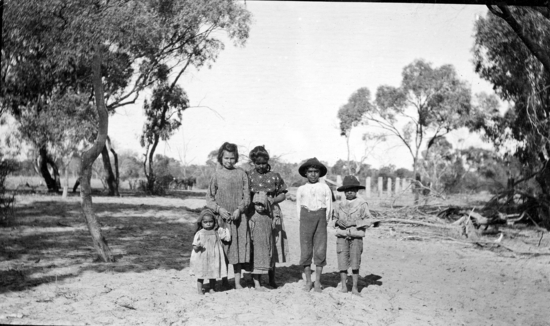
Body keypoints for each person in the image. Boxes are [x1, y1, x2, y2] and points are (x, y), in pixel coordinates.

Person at [206, 142, 251, 289]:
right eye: (226, 158)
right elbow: (210, 198)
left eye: (232, 158)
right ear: (221, 158)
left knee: (237, 250)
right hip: (222, 220)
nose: (229, 161)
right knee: (223, 250)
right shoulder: (216, 175)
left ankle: (237, 282)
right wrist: (219, 209)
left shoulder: (242, 174)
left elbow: (247, 196)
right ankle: (224, 280)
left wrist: (240, 209)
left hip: (239, 219)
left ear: (236, 158)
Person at [247, 145, 289, 288]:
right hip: (254, 212)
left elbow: (283, 193)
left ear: (268, 161)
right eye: (258, 163)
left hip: (272, 212)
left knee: (272, 244)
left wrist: (273, 200)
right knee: (256, 244)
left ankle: (271, 278)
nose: (261, 166)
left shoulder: (275, 176)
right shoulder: (249, 175)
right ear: (253, 162)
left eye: (264, 163)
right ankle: (255, 278)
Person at [333, 175, 376, 296]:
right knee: (342, 261)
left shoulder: (362, 204)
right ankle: (343, 286)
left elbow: (369, 221)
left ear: (357, 190)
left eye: (352, 189)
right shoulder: (339, 204)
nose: (349, 191)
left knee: (355, 261)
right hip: (342, 235)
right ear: (344, 191)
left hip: (356, 236)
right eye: (347, 189)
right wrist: (337, 222)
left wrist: (355, 223)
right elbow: (333, 218)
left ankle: (355, 287)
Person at [296, 157, 333, 292]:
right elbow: (298, 207)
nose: (313, 174)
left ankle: (317, 281)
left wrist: (325, 220)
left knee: (320, 249)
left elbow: (329, 206)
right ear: (305, 173)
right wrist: (303, 220)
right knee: (306, 250)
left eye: (315, 171)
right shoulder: (301, 189)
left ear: (319, 173)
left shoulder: (325, 187)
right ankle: (308, 281)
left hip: (321, 217)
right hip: (306, 217)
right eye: (310, 171)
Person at [189, 209, 231, 295]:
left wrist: (227, 226)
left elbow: (226, 237)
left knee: (213, 272)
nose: (208, 223)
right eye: (205, 222)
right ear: (201, 222)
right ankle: (199, 289)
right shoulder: (199, 233)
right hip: (203, 256)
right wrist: (197, 247)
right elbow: (194, 245)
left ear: (214, 222)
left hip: (214, 256)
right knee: (201, 273)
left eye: (210, 221)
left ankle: (212, 288)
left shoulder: (216, 232)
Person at [249, 191, 273, 291]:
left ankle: (260, 282)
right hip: (256, 245)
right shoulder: (252, 218)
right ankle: (256, 284)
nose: (260, 207)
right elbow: (250, 232)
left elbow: (270, 232)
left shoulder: (268, 218)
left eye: (262, 205)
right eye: (258, 205)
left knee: (263, 264)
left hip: (265, 244)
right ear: (254, 204)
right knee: (256, 264)